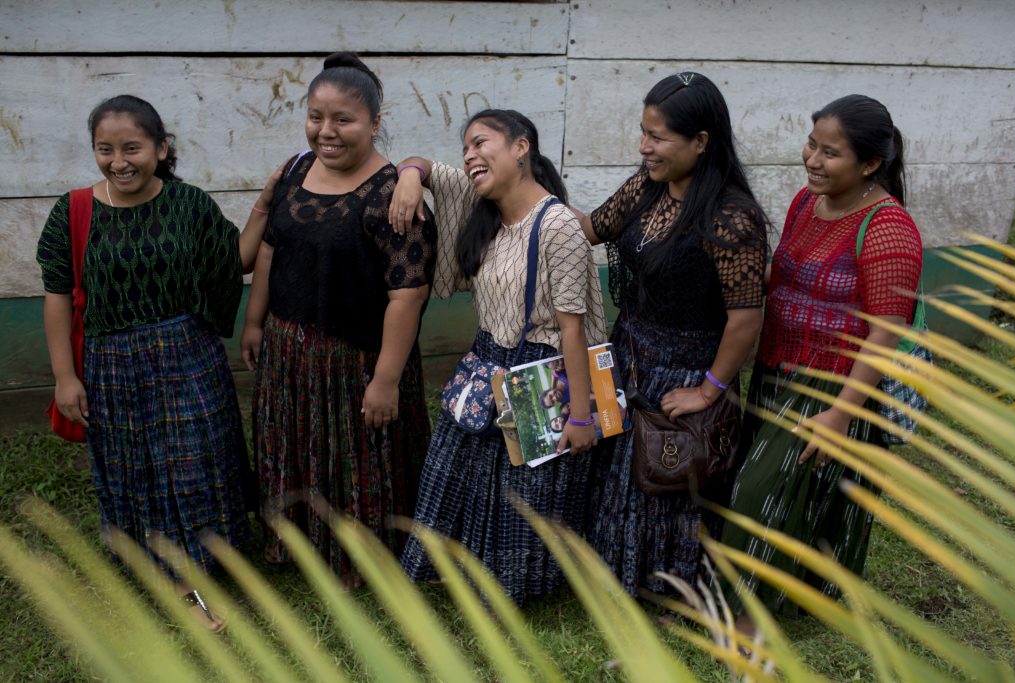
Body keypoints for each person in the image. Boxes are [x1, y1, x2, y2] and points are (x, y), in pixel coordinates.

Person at [36, 94, 259, 631]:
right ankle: (167, 572)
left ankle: (206, 559)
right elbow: (58, 295)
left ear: (160, 148)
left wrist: (264, 208)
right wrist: (66, 376)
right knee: (135, 468)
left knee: (196, 459)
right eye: (105, 149)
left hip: (188, 355)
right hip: (111, 363)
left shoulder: (190, 204)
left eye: (132, 147)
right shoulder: (72, 212)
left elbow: (232, 264)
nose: (119, 161)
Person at [721, 94, 923, 635]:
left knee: (761, 492)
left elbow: (885, 334)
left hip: (834, 387)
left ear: (870, 164)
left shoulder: (888, 230)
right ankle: (793, 593)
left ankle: (749, 620)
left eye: (829, 153)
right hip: (776, 369)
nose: (812, 159)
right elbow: (780, 276)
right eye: (811, 143)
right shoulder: (806, 204)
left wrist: (838, 415)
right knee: (791, 491)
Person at [388, 109, 607, 605]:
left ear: (521, 147)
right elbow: (423, 166)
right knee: (451, 470)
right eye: (465, 148)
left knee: (522, 494)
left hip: (540, 369)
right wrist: (407, 178)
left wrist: (580, 414)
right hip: (488, 358)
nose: (469, 157)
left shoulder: (557, 226)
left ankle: (508, 586)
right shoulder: (485, 210)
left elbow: (575, 329)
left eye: (481, 143)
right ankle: (454, 570)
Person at [241, 52, 436, 586]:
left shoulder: (394, 196)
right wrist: (255, 322)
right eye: (315, 117)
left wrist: (386, 380)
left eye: (343, 120)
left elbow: (408, 296)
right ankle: (297, 542)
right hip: (289, 348)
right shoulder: (297, 170)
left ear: (375, 123)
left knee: (358, 457)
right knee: (295, 447)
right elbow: (269, 252)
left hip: (358, 359)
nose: (325, 131)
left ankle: (361, 557)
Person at [575, 72, 770, 595]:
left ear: (701, 142)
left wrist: (709, 389)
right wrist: (519, 191)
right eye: (643, 132)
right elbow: (591, 227)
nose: (644, 147)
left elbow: (745, 318)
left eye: (657, 137)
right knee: (617, 472)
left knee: (664, 478)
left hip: (685, 369)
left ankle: (671, 589)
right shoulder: (648, 185)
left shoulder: (732, 220)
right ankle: (609, 572)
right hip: (631, 350)